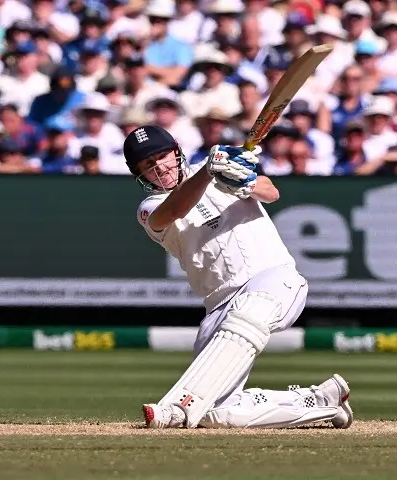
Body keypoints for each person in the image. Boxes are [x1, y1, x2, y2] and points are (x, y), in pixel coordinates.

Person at [122, 124, 353, 429]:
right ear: (139, 175)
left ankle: (174, 409)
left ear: (176, 151)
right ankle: (321, 401)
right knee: (216, 414)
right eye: (148, 165)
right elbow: (175, 209)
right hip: (219, 306)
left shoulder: (219, 173)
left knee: (249, 312)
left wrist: (244, 182)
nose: (160, 168)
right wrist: (208, 171)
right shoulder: (150, 207)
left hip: (274, 279)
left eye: (162, 156)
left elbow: (271, 192)